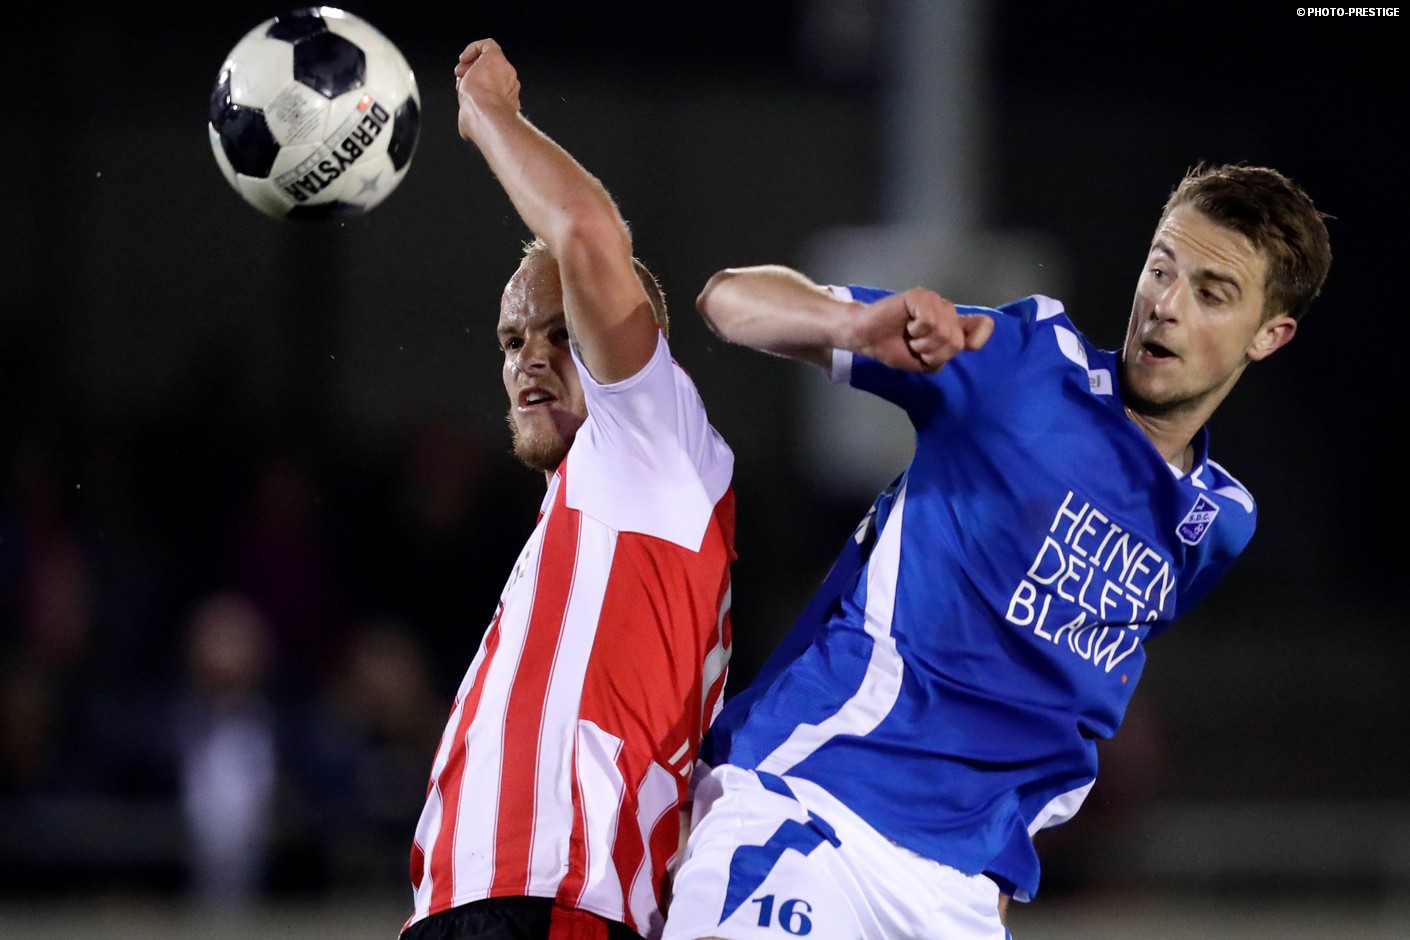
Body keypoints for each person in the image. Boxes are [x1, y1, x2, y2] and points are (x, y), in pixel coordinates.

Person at [661, 163, 1331, 940]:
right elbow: (728, 302)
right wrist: (855, 326)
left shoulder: (1218, 524)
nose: (1167, 306)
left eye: (1212, 293)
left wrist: (994, 873)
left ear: (1270, 334)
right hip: (815, 809)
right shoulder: (1022, 364)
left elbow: (1058, 705)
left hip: (961, 899)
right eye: (1161, 270)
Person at [400, 40, 736, 940]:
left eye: (561, 334)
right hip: (495, 904)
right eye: (512, 342)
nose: (530, 360)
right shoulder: (597, 516)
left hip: (548, 901)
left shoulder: (655, 442)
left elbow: (585, 230)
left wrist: (489, 116)